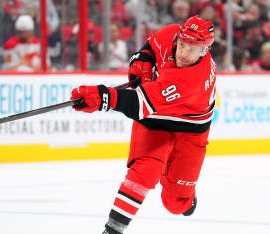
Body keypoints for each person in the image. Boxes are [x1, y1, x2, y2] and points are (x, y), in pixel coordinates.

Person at [70, 16, 216, 234]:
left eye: (192, 49)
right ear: (178, 37)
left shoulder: (192, 78)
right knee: (145, 171)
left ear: (204, 50)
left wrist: (102, 97)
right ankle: (113, 230)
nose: (184, 53)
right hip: (155, 115)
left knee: (175, 203)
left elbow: (138, 104)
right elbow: (150, 46)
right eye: (182, 45)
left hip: (190, 127)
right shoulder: (169, 34)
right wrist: (142, 62)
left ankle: (183, 191)